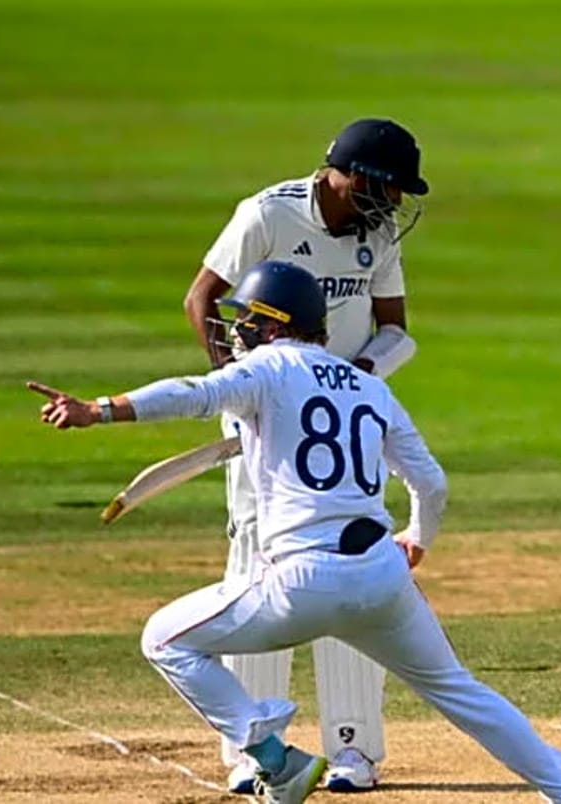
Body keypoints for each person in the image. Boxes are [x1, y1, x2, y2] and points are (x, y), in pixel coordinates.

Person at [27, 261, 561, 804]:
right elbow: (432, 482)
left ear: (274, 324)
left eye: (247, 320)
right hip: (381, 574)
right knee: (460, 691)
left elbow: (192, 394)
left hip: (299, 582)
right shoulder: (371, 386)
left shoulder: (267, 369)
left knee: (166, 640)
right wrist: (417, 539)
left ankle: (275, 759)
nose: (237, 332)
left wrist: (97, 410)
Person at [182, 117, 428, 792]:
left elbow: (395, 330)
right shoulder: (267, 214)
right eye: (390, 188)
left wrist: (356, 383)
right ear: (351, 176)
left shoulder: (375, 234)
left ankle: (353, 751)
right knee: (255, 569)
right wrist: (241, 390)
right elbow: (201, 298)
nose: (397, 207)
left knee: (350, 567)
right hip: (267, 424)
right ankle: (252, 750)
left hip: (341, 431)